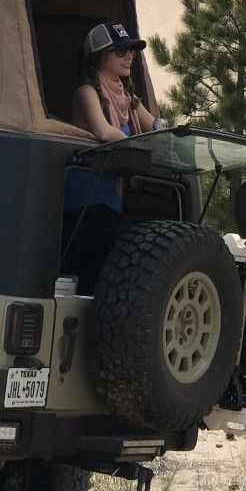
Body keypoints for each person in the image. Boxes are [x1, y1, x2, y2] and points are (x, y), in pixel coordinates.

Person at [60, 22, 157, 292]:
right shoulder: (87, 91)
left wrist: (172, 132)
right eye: (119, 50)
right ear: (99, 56)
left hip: (110, 200)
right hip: (84, 199)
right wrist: (138, 146)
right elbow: (103, 132)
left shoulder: (128, 97)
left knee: (102, 273)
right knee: (84, 272)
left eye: (131, 51)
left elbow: (157, 127)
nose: (129, 56)